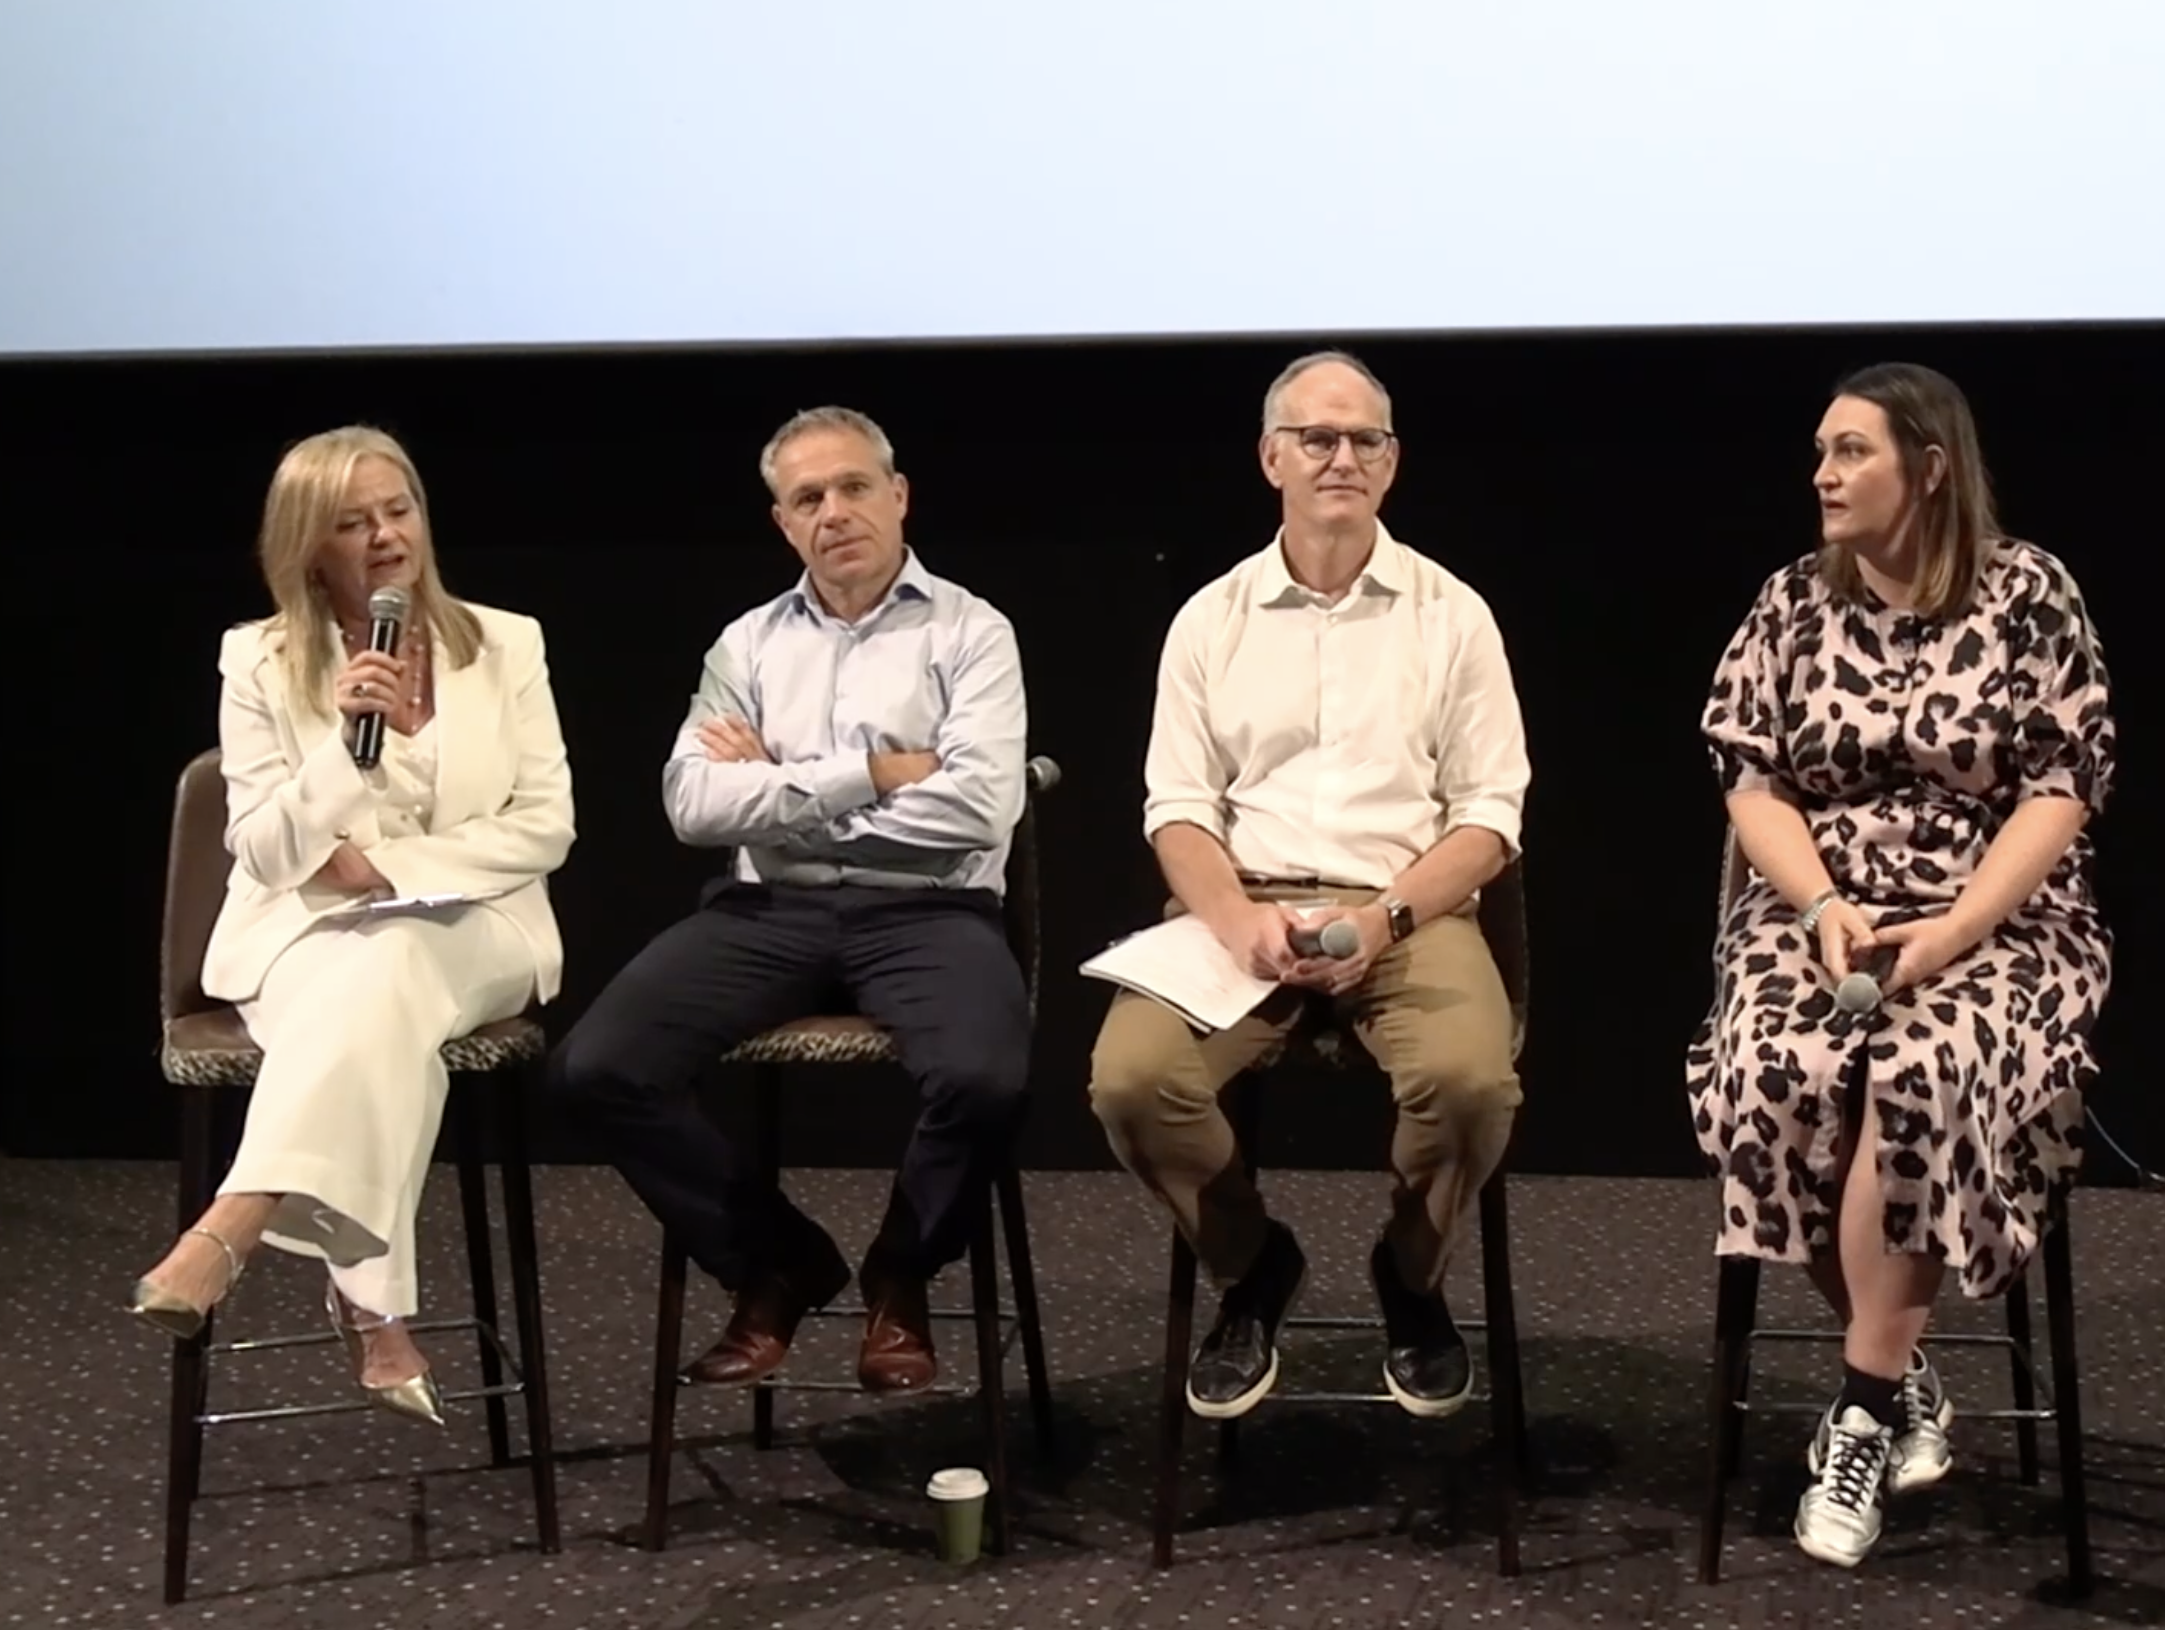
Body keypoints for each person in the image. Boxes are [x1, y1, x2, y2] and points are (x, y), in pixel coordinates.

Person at [1687, 362, 2116, 1568]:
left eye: (1849, 452)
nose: (1820, 475)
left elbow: (2059, 788)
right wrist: (1820, 901)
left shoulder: (2030, 594)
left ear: (1927, 467)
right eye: (1819, 452)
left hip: (2005, 922)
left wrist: (1957, 929)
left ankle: (1863, 1409)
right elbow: (1750, 782)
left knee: (1917, 1069)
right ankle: (1902, 1375)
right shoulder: (1788, 604)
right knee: (1777, 1068)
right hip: (1818, 912)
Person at [547, 406, 1031, 1396]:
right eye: (807, 497)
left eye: (854, 487)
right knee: (597, 1068)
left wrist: (782, 792)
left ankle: (900, 1274)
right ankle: (778, 1262)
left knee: (984, 1078)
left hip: (930, 910)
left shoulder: (971, 631)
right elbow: (690, 800)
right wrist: (875, 774)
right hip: (768, 910)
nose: (834, 512)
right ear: (782, 523)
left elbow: (978, 809)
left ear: (897, 497)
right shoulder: (747, 644)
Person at [1088, 350, 1530, 1424]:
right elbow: (1177, 810)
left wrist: (1383, 918)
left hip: (1402, 906)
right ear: (1270, 457)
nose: (1340, 457)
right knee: (1130, 1080)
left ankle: (1409, 1278)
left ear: (1391, 463)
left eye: (1362, 440)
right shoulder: (1211, 618)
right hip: (1242, 904)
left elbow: (1489, 816)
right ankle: (1252, 1267)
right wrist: (1236, 919)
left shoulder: (1451, 614)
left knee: (1471, 1085)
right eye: (1316, 438)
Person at [127, 426, 576, 1426]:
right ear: (306, 544)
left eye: (398, 509)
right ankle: (370, 1304)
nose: (384, 536)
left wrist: (393, 868)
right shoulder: (260, 658)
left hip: (480, 928)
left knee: (396, 956)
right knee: (380, 994)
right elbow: (270, 853)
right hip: (305, 935)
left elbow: (545, 827)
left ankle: (236, 1222)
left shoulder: (507, 643)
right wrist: (340, 746)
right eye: (351, 520)